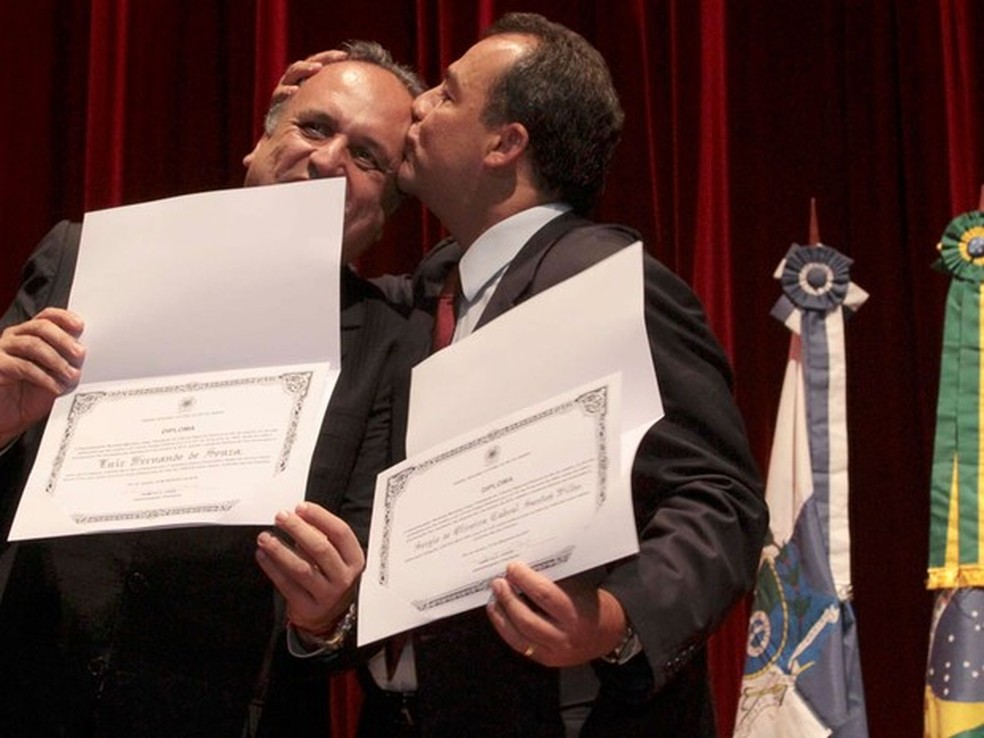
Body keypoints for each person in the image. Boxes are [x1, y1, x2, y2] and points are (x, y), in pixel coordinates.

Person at [265, 12, 768, 737]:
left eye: (446, 93)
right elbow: (293, 282)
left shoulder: (607, 280)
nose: (418, 107)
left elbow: (720, 497)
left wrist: (617, 618)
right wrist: (285, 131)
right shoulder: (427, 294)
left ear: (504, 144)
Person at [0, 41, 423, 737]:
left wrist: (327, 618)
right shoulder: (86, 257)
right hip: (21, 684)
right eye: (314, 126)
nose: (327, 162)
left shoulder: (392, 342)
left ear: (384, 215)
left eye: (367, 156)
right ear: (259, 144)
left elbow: (356, 604)